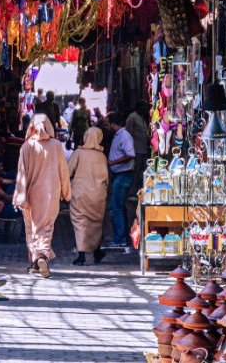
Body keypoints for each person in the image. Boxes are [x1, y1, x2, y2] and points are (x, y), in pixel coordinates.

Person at [13, 114, 71, 278]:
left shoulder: (26, 147)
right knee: (46, 228)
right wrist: (66, 193)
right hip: (51, 194)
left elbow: (21, 174)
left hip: (31, 195)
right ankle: (42, 256)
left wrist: (20, 197)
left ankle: (35, 261)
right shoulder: (56, 146)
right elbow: (63, 172)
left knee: (31, 228)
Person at [68, 127, 109, 266]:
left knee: (80, 223)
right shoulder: (102, 156)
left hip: (80, 194)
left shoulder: (79, 153)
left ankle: (81, 256)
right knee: (96, 224)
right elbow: (107, 179)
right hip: (98, 195)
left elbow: (68, 171)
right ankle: (97, 251)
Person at [106, 112, 135, 247]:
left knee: (115, 206)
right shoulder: (119, 135)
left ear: (113, 124)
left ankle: (120, 239)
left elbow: (130, 154)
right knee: (119, 205)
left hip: (124, 174)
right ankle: (123, 236)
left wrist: (113, 162)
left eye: (109, 124)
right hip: (119, 174)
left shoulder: (124, 136)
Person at [126, 101, 150, 194]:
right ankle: (131, 192)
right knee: (135, 172)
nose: (145, 110)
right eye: (143, 108)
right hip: (136, 150)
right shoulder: (132, 117)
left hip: (143, 149)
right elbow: (128, 133)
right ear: (139, 107)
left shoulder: (142, 118)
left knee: (142, 171)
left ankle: (139, 191)